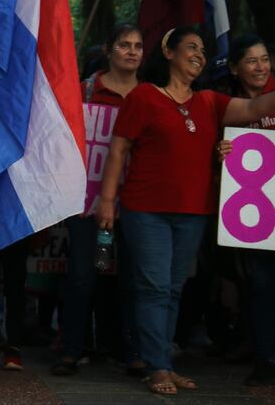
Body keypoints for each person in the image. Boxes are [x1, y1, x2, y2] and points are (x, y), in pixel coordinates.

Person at [96, 26, 275, 395]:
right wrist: (108, 201)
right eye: (191, 47)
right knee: (154, 287)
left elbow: (259, 107)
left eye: (203, 51)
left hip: (193, 212)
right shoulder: (144, 97)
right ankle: (157, 367)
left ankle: (163, 361)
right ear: (169, 52)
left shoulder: (210, 101)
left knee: (174, 289)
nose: (199, 54)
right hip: (146, 210)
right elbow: (118, 150)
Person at [53, 24, 144, 376]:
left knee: (125, 278)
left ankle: (128, 349)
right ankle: (71, 350)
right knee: (81, 276)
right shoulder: (86, 91)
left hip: (134, 204)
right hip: (85, 204)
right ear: (109, 50)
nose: (132, 51)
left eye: (138, 46)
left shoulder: (148, 96)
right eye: (124, 45)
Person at [216, 35, 275, 386]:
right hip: (251, 218)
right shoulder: (226, 106)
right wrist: (219, 152)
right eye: (251, 61)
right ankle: (265, 357)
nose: (260, 67)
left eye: (265, 59)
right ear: (236, 68)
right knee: (260, 284)